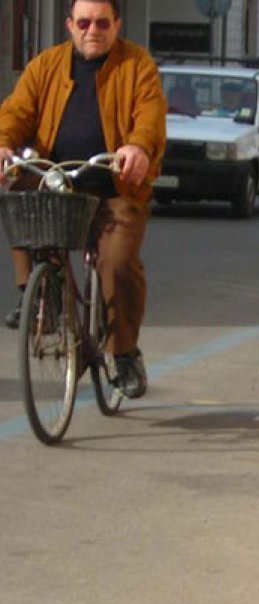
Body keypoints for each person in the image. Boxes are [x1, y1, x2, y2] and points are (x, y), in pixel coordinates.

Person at [0, 0, 167, 399]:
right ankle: (37, 293)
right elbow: (17, 111)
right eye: (85, 22)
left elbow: (150, 114)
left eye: (103, 23)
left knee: (118, 263)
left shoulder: (137, 66)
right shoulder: (46, 66)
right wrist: (4, 144)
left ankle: (124, 352)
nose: (94, 30)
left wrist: (138, 148)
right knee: (21, 197)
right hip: (57, 184)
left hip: (115, 188)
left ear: (117, 25)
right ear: (70, 25)